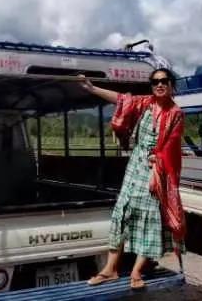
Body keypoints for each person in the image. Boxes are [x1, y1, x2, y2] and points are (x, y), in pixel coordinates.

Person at [80, 68, 185, 290]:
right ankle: (110, 270)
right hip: (136, 163)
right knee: (121, 211)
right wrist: (92, 88)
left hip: (156, 169)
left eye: (164, 81)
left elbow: (172, 146)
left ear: (171, 85)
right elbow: (120, 99)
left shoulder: (176, 113)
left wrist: (157, 165)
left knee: (148, 218)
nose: (159, 84)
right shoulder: (145, 103)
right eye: (155, 81)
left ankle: (136, 272)